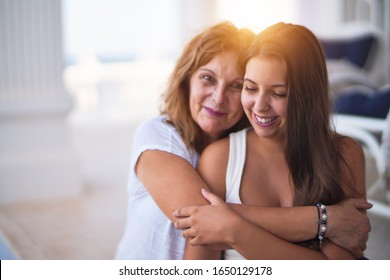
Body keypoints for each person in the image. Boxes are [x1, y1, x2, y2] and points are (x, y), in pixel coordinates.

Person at [115, 22, 371, 260]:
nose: (218, 97)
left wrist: (231, 226)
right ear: (186, 80)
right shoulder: (163, 137)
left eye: (237, 86)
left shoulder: (341, 154)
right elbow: (200, 220)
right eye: (208, 78)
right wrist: (325, 220)